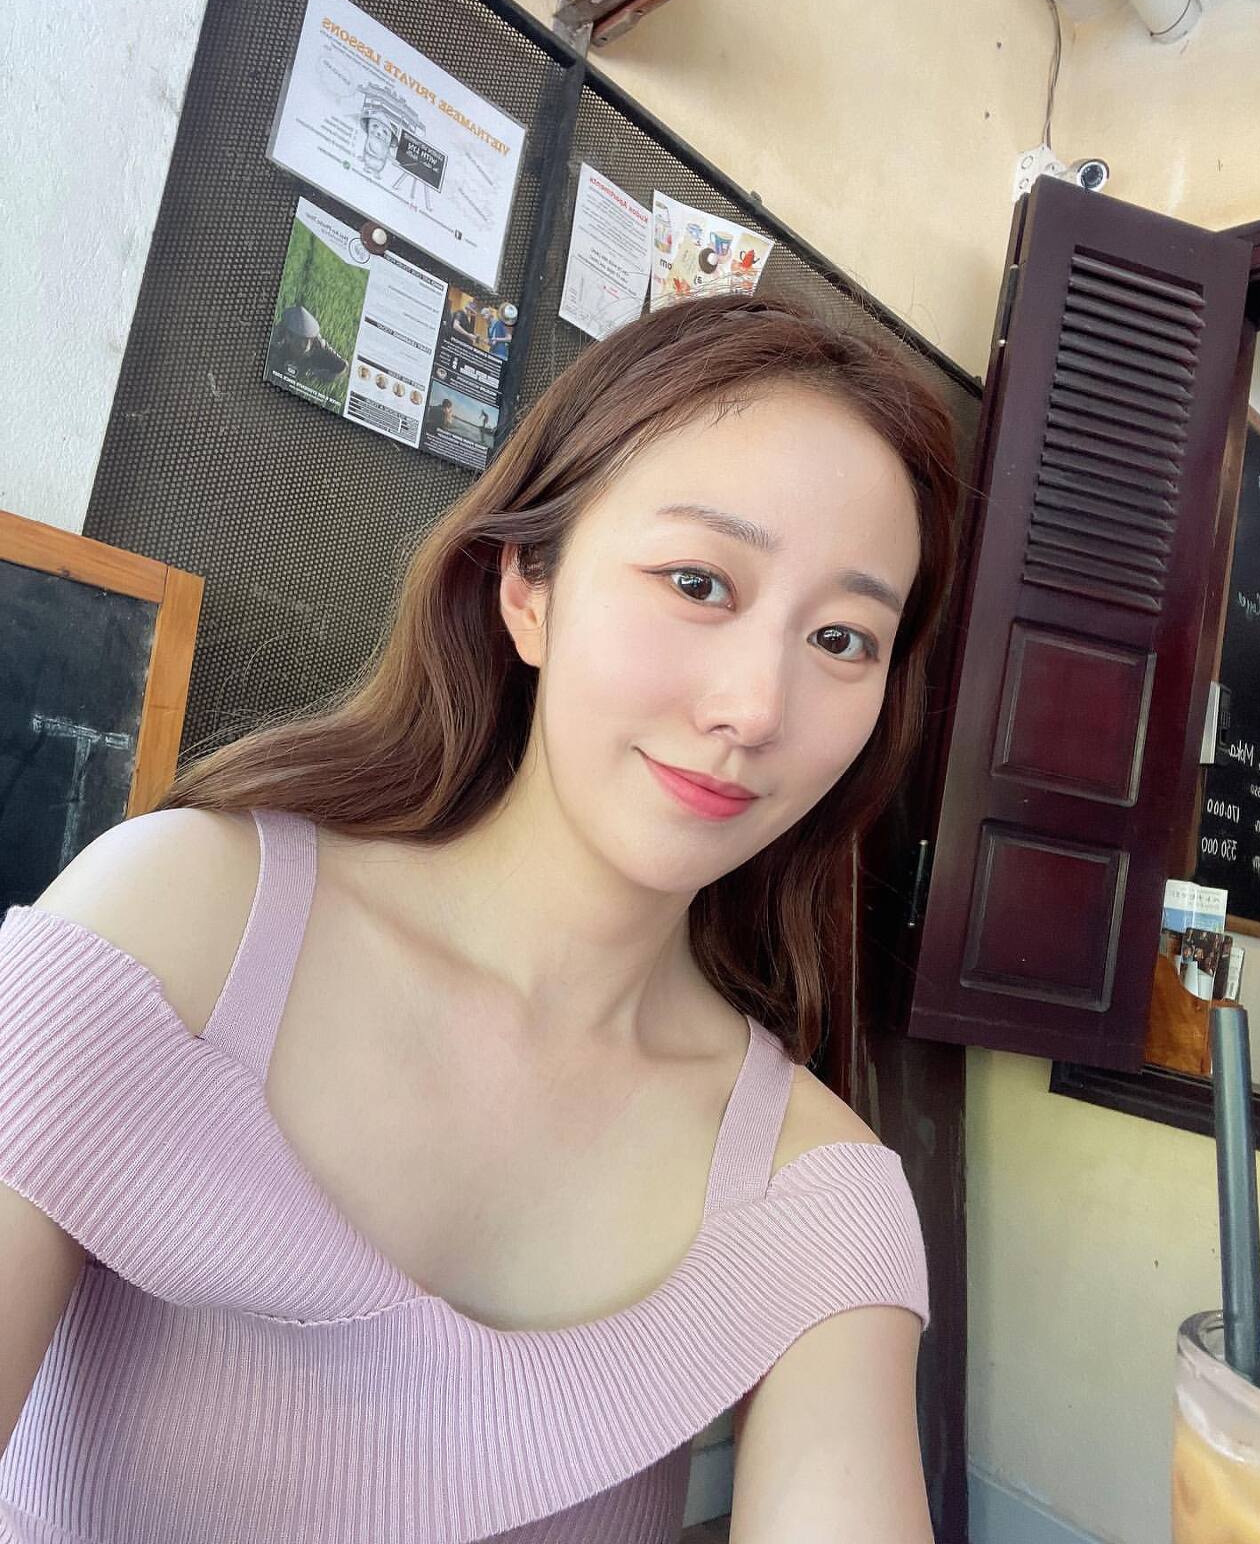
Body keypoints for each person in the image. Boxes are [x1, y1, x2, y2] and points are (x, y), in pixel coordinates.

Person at [0, 293, 960, 1543]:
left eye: (840, 637)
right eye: (696, 581)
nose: (754, 707)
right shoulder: (174, 926)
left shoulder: (814, 1195)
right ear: (528, 590)